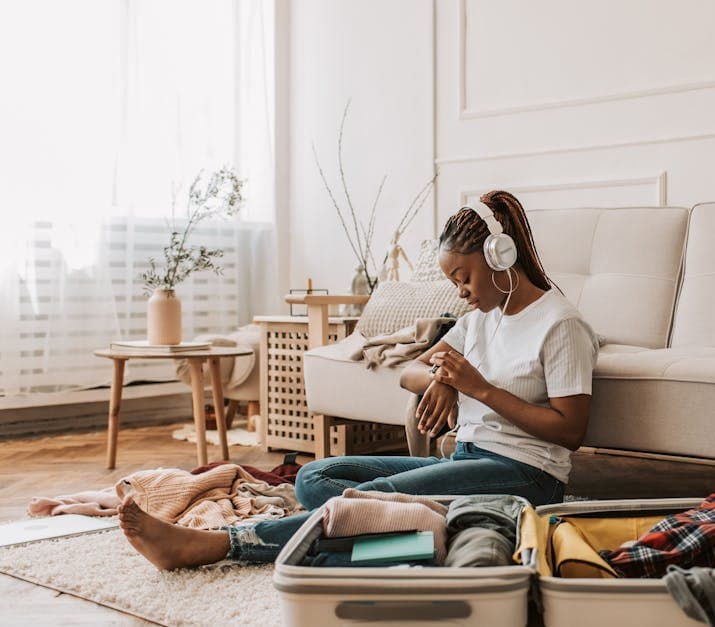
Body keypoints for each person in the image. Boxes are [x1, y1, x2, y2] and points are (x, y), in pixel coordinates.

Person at [119, 190, 600, 569]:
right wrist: (445, 383)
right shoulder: (481, 319)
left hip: (525, 475)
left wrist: (478, 388)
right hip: (471, 456)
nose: (460, 291)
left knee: (373, 501)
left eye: (464, 276)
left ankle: (222, 546)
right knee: (316, 476)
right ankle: (409, 543)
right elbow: (412, 371)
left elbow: (570, 431)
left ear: (499, 257)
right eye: (453, 279)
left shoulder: (560, 325)